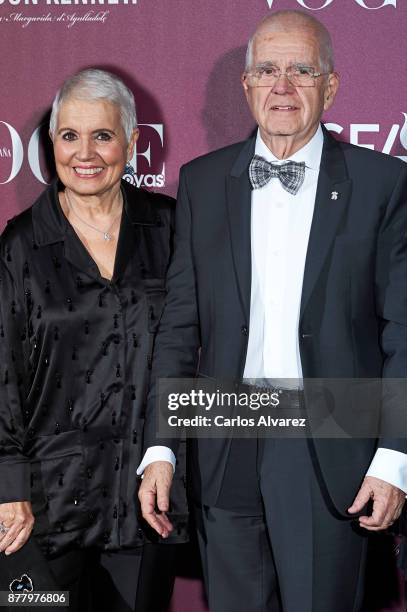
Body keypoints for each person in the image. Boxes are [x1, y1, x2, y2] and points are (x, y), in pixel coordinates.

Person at [138, 10, 407, 612]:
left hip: (329, 443)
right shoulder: (203, 184)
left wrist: (395, 455)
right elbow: (180, 325)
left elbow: (404, 332)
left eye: (301, 70)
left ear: (330, 87)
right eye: (267, 70)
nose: (282, 85)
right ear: (246, 86)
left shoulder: (382, 183)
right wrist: (162, 447)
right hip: (225, 436)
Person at [0, 68, 188, 612]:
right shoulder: (20, 246)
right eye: (69, 135)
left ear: (131, 143)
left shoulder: (171, 229)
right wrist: (8, 486)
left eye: (102, 135)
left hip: (144, 498)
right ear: (52, 143)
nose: (85, 152)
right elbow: (2, 375)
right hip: (38, 508)